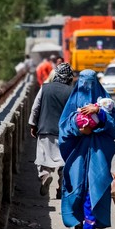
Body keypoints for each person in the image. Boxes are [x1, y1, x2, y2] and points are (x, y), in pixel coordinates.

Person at [58, 69, 115, 229]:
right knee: (77, 185)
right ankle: (77, 219)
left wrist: (99, 113)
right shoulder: (73, 102)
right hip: (77, 152)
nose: (87, 86)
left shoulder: (104, 101)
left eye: (91, 82)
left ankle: (90, 225)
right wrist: (78, 128)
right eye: (83, 82)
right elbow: (64, 126)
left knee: (94, 186)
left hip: (98, 152)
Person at [28, 63, 74, 200]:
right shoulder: (71, 92)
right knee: (64, 162)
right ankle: (61, 187)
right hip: (65, 133)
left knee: (44, 157)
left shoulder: (45, 88)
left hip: (45, 129)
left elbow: (35, 108)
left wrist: (33, 125)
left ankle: (44, 176)